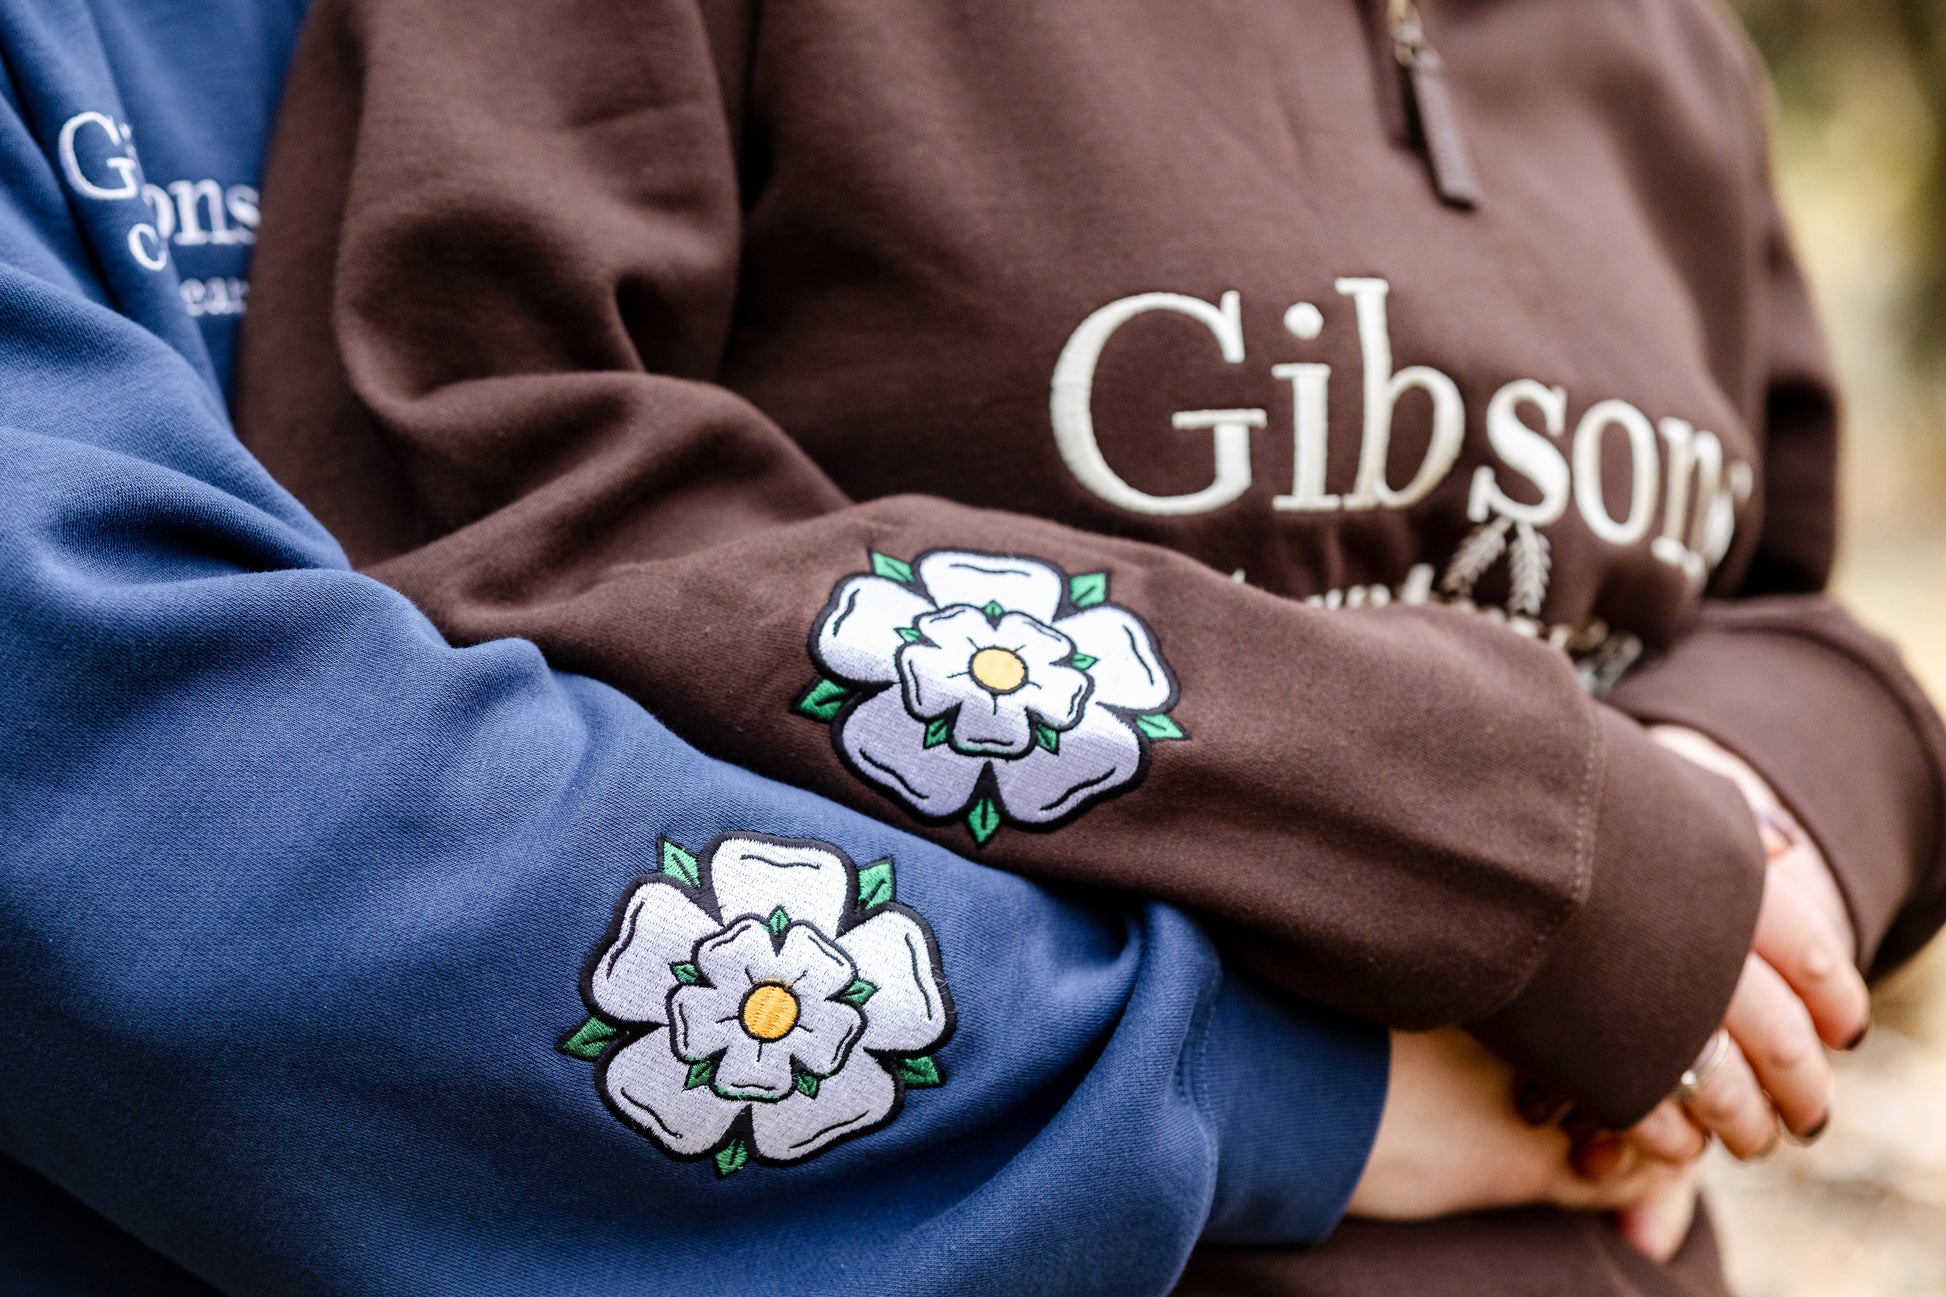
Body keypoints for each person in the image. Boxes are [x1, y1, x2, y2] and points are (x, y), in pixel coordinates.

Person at [0, 0, 1939, 1294]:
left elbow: (1768, 595)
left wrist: (1777, 799)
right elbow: (512, 496)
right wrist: (1503, 841)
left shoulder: (1663, 46)